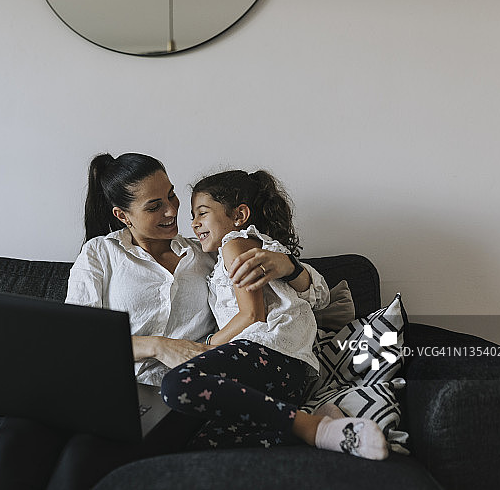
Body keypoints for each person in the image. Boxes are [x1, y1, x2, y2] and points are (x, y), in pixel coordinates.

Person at [0, 154, 299, 490]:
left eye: (172, 195)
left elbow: (315, 295)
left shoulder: (209, 251)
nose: (173, 211)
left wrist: (287, 264)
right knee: (18, 437)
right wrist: (158, 346)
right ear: (123, 215)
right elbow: (78, 342)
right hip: (97, 389)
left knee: (81, 459)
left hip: (168, 394)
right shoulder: (100, 253)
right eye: (154, 206)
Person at [160, 169, 389, 460]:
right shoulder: (235, 252)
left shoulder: (235, 244)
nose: (193, 224)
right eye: (193, 216)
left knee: (178, 383)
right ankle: (321, 420)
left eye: (202, 213)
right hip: (287, 375)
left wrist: (206, 346)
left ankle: (312, 427)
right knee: (207, 442)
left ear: (239, 215)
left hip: (266, 350)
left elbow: (253, 314)